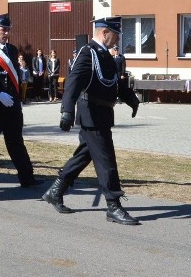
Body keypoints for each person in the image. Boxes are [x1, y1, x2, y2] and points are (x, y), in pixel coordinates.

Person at [43, 16, 141, 225]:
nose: (117, 40)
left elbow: (114, 82)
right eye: (115, 35)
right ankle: (113, 205)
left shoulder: (106, 55)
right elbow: (73, 80)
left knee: (85, 154)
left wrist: (130, 98)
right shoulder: (88, 53)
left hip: (102, 114)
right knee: (106, 159)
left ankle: (55, 190)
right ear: (104, 33)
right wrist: (66, 111)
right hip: (92, 114)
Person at [0, 14, 42, 188]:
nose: (6, 32)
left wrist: (16, 99)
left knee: (16, 141)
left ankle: (27, 177)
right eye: (3, 29)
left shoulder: (11, 49)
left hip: (11, 104)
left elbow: (14, 77)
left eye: (8, 29)